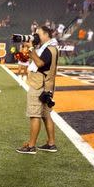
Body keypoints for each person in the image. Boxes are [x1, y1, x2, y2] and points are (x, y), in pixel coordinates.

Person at [16, 26, 59, 154]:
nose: (36, 36)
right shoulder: (52, 47)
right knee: (46, 115)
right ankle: (51, 144)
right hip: (47, 85)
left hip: (39, 85)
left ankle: (31, 146)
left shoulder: (48, 49)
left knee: (35, 114)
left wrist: (30, 48)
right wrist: (32, 48)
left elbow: (39, 64)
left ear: (46, 34)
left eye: (38, 34)